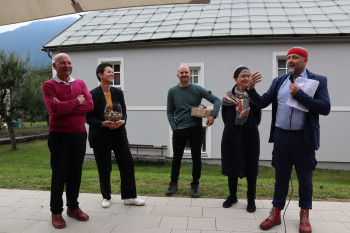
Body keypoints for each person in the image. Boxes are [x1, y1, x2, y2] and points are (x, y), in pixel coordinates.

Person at [247, 47, 330, 233]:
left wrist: (300, 94)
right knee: (281, 177)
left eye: (295, 57)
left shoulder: (318, 81)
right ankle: (276, 213)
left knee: (305, 179)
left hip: (304, 138)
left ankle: (304, 216)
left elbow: (325, 108)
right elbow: (262, 102)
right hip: (281, 136)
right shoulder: (279, 81)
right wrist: (251, 90)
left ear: (305, 60)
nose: (290, 60)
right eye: (288, 58)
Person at [42, 53, 94, 229]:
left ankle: (73, 208)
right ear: (55, 66)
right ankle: (56, 211)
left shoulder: (80, 83)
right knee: (59, 174)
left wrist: (66, 106)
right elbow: (54, 109)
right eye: (62, 63)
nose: (66, 65)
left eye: (69, 62)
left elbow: (90, 105)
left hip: (79, 134)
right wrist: (76, 102)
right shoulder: (48, 85)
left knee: (75, 173)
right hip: (59, 135)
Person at [86, 63, 145, 208]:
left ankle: (130, 197)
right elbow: (89, 118)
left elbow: (124, 111)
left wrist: (123, 120)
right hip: (101, 134)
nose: (112, 74)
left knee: (127, 164)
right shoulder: (92, 94)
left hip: (118, 133)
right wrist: (103, 123)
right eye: (109, 72)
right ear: (100, 75)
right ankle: (106, 197)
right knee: (104, 167)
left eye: (113, 72)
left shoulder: (118, 92)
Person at [166, 64, 221, 198]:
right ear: (178, 75)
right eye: (181, 73)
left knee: (196, 158)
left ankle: (195, 184)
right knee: (176, 158)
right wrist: (174, 127)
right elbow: (169, 111)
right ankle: (173, 183)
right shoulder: (172, 91)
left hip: (196, 129)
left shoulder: (197, 89)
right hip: (179, 130)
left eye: (186, 72)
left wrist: (213, 115)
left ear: (190, 75)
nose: (184, 75)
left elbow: (217, 100)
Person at [221, 66, 262, 213]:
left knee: (251, 167)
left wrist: (247, 126)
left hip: (250, 136)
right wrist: (235, 128)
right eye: (243, 75)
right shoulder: (227, 98)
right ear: (236, 79)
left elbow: (258, 118)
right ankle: (232, 197)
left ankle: (251, 199)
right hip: (232, 136)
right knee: (232, 165)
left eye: (248, 76)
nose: (246, 78)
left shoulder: (255, 97)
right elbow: (225, 118)